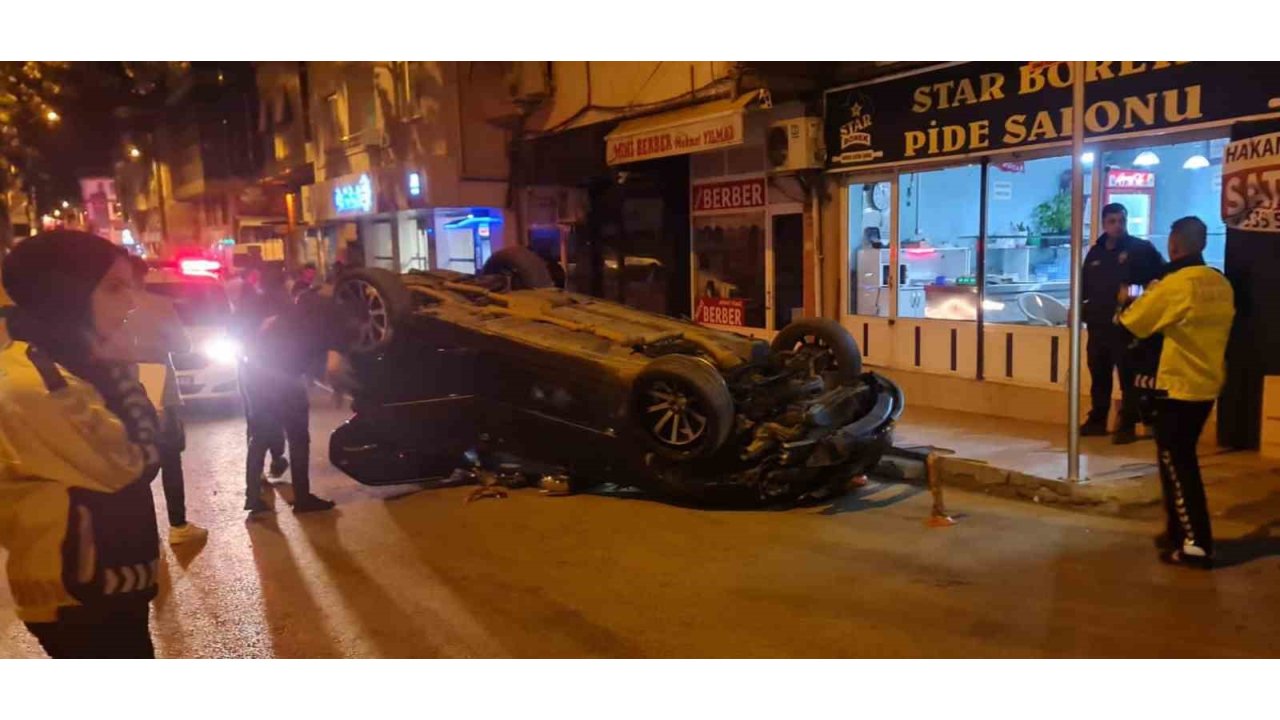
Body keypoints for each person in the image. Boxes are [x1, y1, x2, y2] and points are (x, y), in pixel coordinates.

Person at [0, 230, 163, 658]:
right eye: (113, 287)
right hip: (80, 596)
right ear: (65, 293)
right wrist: (126, 374)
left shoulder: (72, 363)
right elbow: (133, 462)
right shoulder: (39, 384)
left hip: (105, 584)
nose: (130, 302)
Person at [1118, 216, 1234, 568]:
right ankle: (1178, 534)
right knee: (1178, 461)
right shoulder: (1220, 282)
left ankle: (1196, 542)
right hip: (1206, 384)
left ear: (1173, 245)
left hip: (1175, 386)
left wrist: (1127, 300)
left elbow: (1134, 322)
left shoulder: (1177, 284)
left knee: (1178, 465)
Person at [107, 256, 208, 545]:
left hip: (121, 387)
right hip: (159, 384)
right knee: (170, 455)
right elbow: (182, 345)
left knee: (134, 459)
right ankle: (178, 525)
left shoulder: (104, 307)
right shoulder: (160, 306)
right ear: (143, 276)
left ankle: (142, 531)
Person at [241, 292, 360, 514]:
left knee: (260, 437)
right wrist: (338, 389)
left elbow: (262, 331)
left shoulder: (286, 314)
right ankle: (302, 499)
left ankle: (252, 497)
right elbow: (333, 366)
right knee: (298, 440)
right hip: (286, 380)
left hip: (255, 376)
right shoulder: (333, 323)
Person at [1080, 203, 1165, 444]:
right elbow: (1085, 285)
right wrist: (1079, 308)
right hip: (1099, 325)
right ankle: (1097, 419)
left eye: (1121, 221)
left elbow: (1158, 283)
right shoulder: (1095, 253)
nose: (1118, 226)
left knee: (1129, 377)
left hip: (1127, 326)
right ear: (1104, 224)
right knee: (1099, 374)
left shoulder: (1141, 250)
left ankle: (1128, 423)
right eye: (1112, 221)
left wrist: (1132, 293)